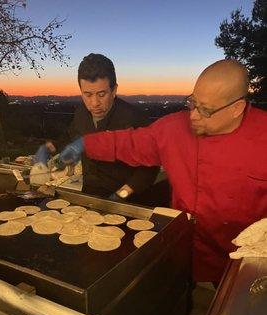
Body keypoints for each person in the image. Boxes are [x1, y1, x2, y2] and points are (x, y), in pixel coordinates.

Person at [55, 59, 267, 283]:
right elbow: (129, 143)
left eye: (206, 110)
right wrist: (83, 144)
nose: (193, 115)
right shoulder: (173, 128)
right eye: (192, 103)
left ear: (237, 108)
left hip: (241, 260)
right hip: (182, 246)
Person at [36, 53, 161, 205]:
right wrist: (48, 148)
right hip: (89, 196)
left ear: (114, 90)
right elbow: (69, 138)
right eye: (87, 94)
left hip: (128, 201)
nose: (94, 103)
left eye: (101, 94)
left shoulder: (134, 118)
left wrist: (120, 195)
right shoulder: (81, 113)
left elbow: (149, 169)